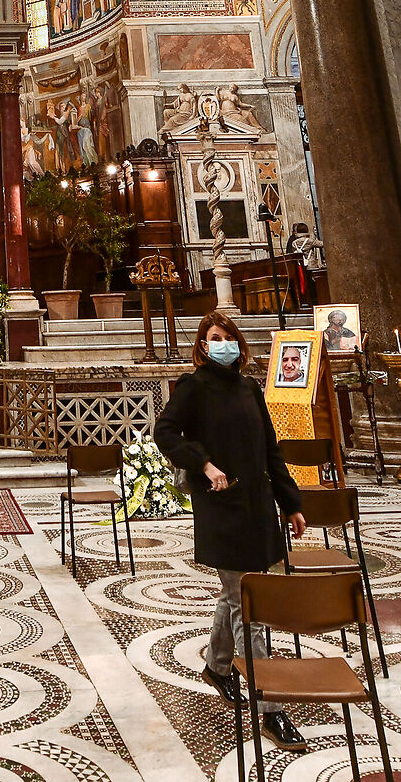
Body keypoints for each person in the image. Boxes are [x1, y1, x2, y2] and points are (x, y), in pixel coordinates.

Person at [155, 312, 309, 752]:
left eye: (227, 336)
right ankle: (271, 709)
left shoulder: (249, 388)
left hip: (257, 507)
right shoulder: (194, 386)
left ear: (238, 343)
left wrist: (291, 502)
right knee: (249, 606)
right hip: (221, 506)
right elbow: (164, 432)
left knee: (235, 595)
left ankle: (218, 667)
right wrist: (203, 463)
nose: (221, 343)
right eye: (214, 337)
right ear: (203, 346)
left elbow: (270, 449)